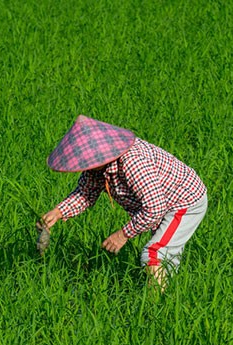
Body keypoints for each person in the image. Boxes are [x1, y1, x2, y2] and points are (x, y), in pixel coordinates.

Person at [38, 115, 207, 290]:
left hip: (184, 201)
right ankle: (168, 293)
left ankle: (155, 306)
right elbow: (85, 194)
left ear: (99, 153)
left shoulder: (133, 163)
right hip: (160, 203)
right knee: (162, 255)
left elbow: (154, 207)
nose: (82, 166)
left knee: (154, 254)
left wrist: (122, 235)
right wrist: (57, 213)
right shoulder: (96, 168)